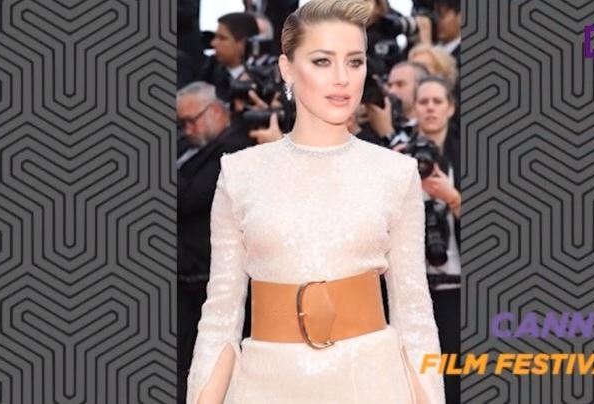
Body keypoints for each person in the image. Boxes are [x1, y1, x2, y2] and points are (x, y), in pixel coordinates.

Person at [185, 0, 445, 403]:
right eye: (322, 61)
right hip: (265, 386)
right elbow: (220, 319)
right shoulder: (240, 174)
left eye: (354, 62)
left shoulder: (396, 173)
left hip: (372, 384)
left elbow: (414, 318)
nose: (342, 78)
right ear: (287, 68)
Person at [176, 82, 256, 404]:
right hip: (185, 277)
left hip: (209, 279)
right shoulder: (187, 146)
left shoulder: (234, 147)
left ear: (217, 112)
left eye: (191, 120)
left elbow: (189, 198)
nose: (187, 129)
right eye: (181, 123)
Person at [413, 76, 461, 404]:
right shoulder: (396, 157)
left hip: (458, 291)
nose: (430, 108)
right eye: (423, 102)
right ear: (414, 108)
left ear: (450, 108)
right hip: (415, 293)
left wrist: (453, 198)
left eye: (437, 101)